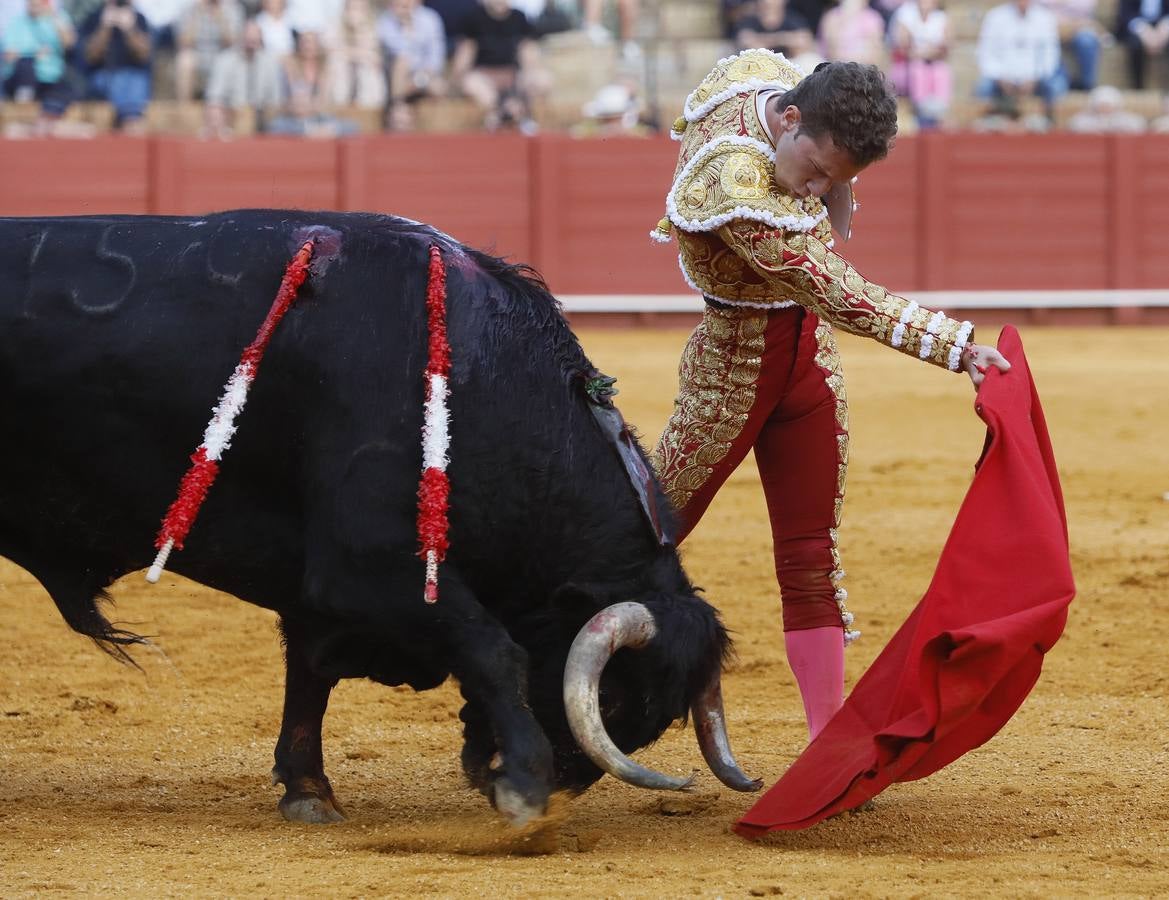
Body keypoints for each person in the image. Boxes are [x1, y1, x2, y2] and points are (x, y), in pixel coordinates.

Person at [650, 51, 1010, 741]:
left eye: (832, 181)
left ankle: (826, 740)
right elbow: (838, 292)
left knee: (811, 554)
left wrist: (830, 174)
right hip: (728, 378)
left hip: (806, 368)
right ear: (787, 121)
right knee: (640, 538)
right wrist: (956, 345)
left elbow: (787, 78)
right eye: (814, 172)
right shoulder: (735, 184)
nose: (816, 193)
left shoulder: (760, 81)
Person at [451, 0, 547, 133]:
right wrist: (458, 78)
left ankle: (517, 112)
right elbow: (466, 52)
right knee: (472, 83)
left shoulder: (519, 17)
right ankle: (501, 113)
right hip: (484, 76)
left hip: (512, 75)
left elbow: (528, 51)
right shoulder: (473, 18)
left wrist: (527, 78)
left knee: (541, 80)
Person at [976, 0, 1064, 120]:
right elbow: (985, 53)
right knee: (983, 88)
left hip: (1035, 79)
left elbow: (1050, 55)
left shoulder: (1045, 17)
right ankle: (986, 127)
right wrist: (1000, 78)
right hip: (1001, 78)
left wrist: (1035, 78)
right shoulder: (995, 17)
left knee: (1055, 86)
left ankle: (1050, 125)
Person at [78, 0, 152, 130]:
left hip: (133, 78)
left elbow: (144, 54)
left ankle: (130, 119)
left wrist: (129, 29)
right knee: (120, 81)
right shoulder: (94, 17)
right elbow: (90, 56)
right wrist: (105, 27)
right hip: (101, 77)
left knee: (134, 81)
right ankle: (130, 119)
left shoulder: (139, 18)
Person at [2, 0, 75, 131]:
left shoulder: (57, 18)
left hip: (50, 77)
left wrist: (54, 17)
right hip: (22, 77)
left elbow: (69, 43)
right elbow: (9, 54)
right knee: (26, 65)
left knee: (67, 88)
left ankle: (47, 118)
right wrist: (33, 53)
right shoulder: (17, 23)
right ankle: (23, 112)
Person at [203, 16, 283, 136]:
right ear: (241, 37)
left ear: (261, 39)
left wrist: (262, 113)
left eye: (254, 40)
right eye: (248, 39)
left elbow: (276, 99)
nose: (251, 44)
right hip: (231, 117)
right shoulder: (224, 60)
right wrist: (228, 112)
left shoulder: (271, 63)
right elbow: (214, 96)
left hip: (262, 118)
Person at [377, 0, 446, 130]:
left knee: (439, 88)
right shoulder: (384, 21)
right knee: (402, 64)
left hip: (422, 78)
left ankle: (428, 131)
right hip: (392, 77)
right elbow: (399, 54)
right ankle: (398, 111)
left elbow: (435, 59)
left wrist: (418, 80)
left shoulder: (430, 19)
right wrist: (405, 27)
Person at [889, 0, 951, 127]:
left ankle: (939, 112)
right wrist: (926, 52)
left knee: (942, 71)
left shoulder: (941, 18)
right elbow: (903, 46)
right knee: (918, 71)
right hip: (909, 65)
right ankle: (921, 111)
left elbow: (945, 47)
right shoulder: (905, 14)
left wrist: (924, 52)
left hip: (934, 64)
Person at [175, 0, 243, 101]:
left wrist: (220, 18)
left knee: (230, 59)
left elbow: (232, 42)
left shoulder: (232, 8)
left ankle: (224, 106)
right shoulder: (188, 7)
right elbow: (184, 42)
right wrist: (197, 14)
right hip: (198, 54)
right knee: (185, 60)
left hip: (223, 54)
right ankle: (185, 107)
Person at [327, 0, 387, 111]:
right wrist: (357, 53)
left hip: (364, 73)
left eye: (359, 8)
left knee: (368, 65)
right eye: (351, 8)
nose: (354, 12)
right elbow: (332, 50)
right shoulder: (334, 24)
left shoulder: (374, 26)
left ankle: (368, 106)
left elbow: (373, 54)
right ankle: (340, 104)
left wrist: (358, 28)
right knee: (338, 64)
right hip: (342, 74)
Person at [1039, 0, 1104, 90]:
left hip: (1078, 26)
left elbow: (1086, 5)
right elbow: (1036, 6)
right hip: (1046, 27)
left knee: (1087, 41)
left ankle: (1087, 84)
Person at [1116, 0, 1169, 89]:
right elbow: (1124, 15)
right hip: (1137, 27)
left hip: (1163, 27)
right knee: (1134, 44)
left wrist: (1166, 26)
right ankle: (1138, 87)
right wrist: (1143, 30)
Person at [818, 0, 886, 66]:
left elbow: (876, 51)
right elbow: (831, 49)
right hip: (837, 66)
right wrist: (847, 16)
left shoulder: (873, 17)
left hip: (863, 66)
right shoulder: (832, 16)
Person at [1066, 83, 1146, 130]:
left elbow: (1138, 124)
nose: (1105, 108)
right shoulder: (1082, 120)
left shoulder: (1127, 119)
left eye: (1108, 105)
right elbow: (1075, 124)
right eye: (1101, 105)